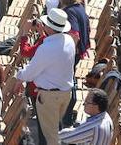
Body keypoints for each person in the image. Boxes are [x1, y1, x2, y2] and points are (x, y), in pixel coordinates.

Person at [10, 8, 76, 145]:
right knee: (55, 132)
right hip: (65, 93)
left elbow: (30, 72)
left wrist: (19, 78)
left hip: (50, 97)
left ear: (49, 27)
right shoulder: (69, 40)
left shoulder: (47, 48)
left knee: (49, 138)